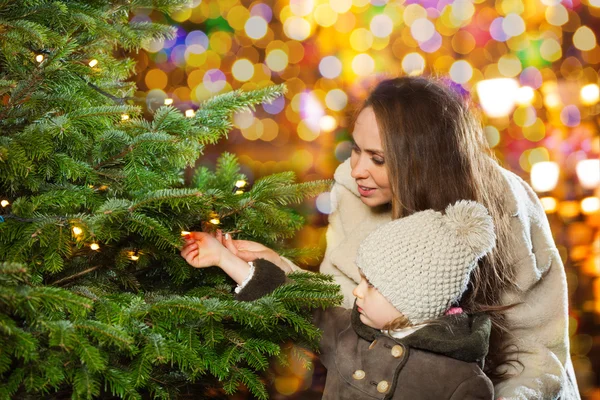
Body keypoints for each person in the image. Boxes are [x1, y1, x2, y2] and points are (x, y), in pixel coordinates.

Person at [184, 76, 580, 399]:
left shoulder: (501, 203)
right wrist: (276, 267)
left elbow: (535, 354)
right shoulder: (356, 194)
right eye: (355, 149)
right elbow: (342, 314)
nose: (357, 169)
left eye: (377, 158)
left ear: (423, 161)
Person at [181, 200, 497, 399]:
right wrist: (224, 259)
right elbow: (294, 304)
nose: (357, 291)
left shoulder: (462, 383)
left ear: (411, 300)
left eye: (370, 285)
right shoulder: (350, 331)